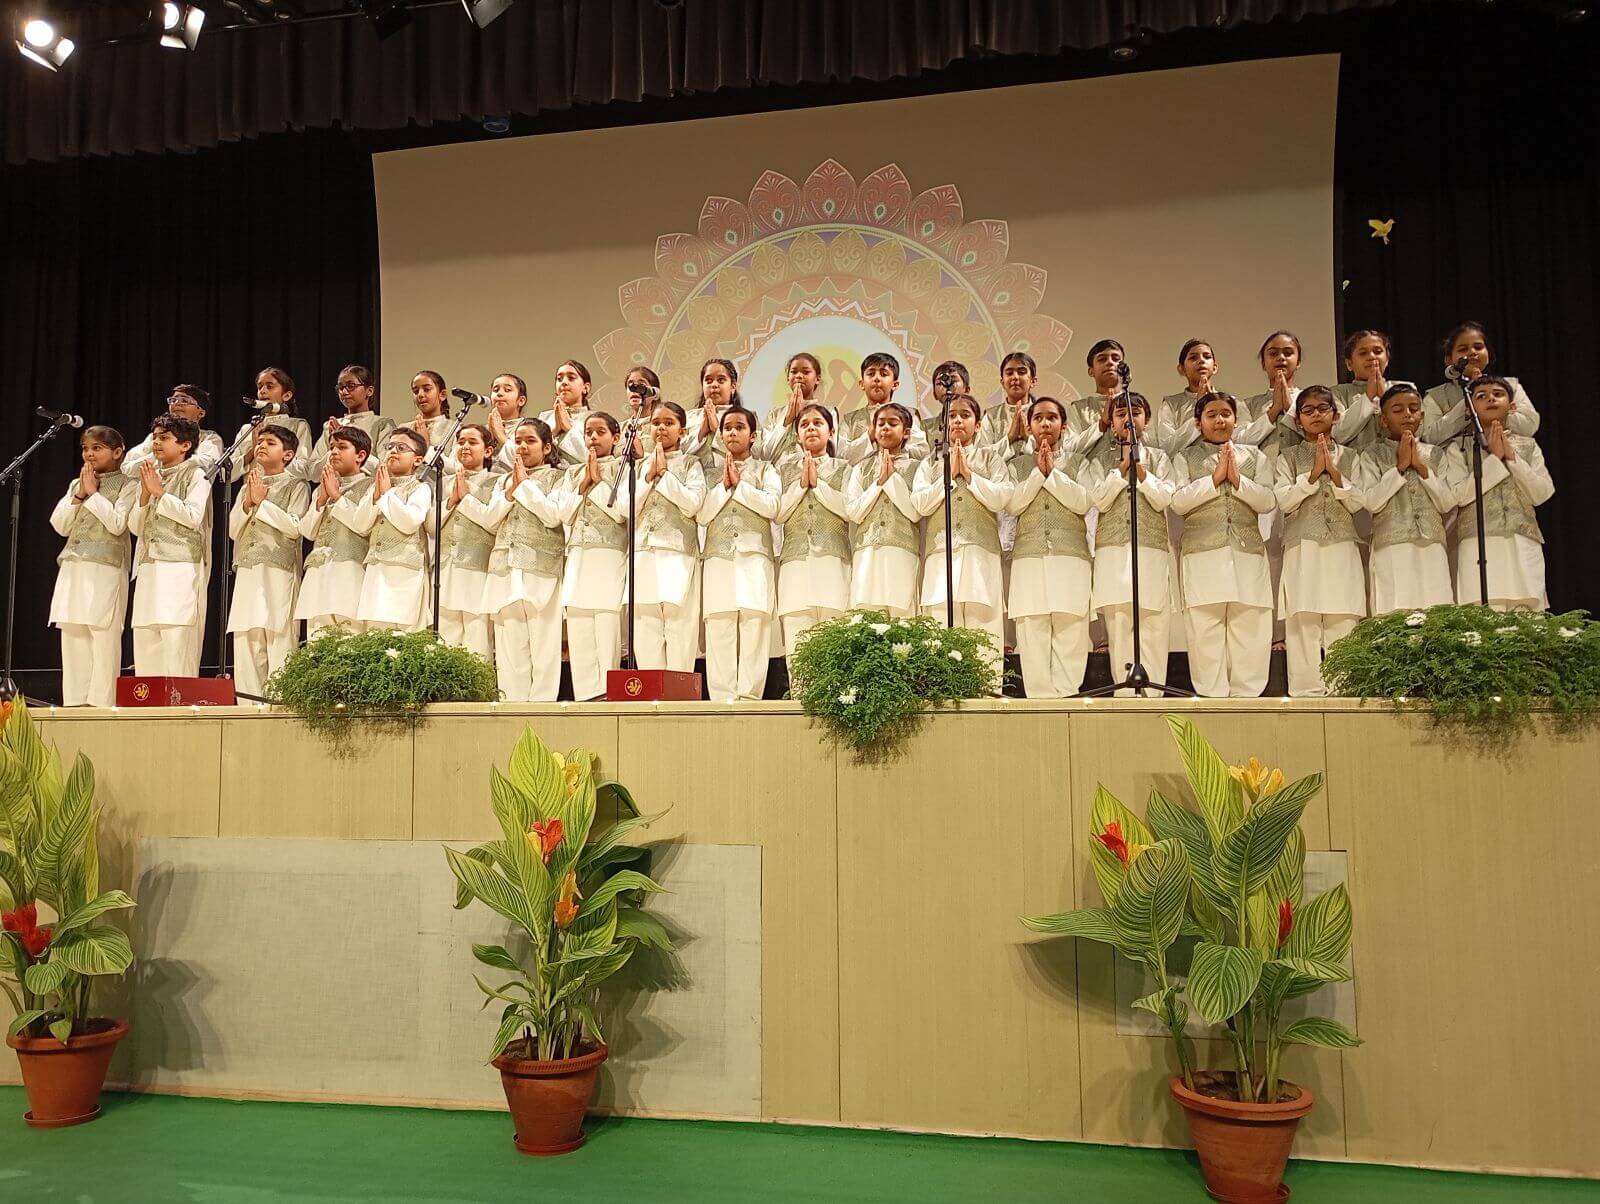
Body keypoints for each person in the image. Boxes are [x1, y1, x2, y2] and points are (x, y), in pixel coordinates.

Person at [1170, 392, 1277, 698]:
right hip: (1202, 554)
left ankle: (1248, 698)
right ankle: (1211, 697)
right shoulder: (1185, 457)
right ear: (1198, 422)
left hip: (1247, 552)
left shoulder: (1255, 457)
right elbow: (1178, 502)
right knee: (1205, 630)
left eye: (1225, 414)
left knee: (1251, 627)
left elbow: (1268, 500)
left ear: (1236, 419)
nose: (1219, 420)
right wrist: (1214, 480)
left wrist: (1239, 481)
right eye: (1212, 415)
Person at [1274, 386, 1366, 696]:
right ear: (1298, 421)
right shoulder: (1287, 457)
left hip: (1341, 543)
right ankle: (1306, 693)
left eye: (1322, 408)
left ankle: (1345, 691)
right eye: (1308, 410)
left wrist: (1336, 476)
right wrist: (1312, 477)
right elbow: (1284, 502)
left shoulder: (1352, 456)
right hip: (1303, 545)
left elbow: (1360, 502)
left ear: (1336, 415)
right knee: (1303, 619)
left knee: (1343, 617)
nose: (1316, 415)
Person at [912, 393, 1010, 675]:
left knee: (983, 619)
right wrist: (949, 477)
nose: (957, 420)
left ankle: (985, 687)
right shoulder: (930, 463)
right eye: (951, 416)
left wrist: (969, 475)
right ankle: (944, 686)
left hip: (980, 550)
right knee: (941, 618)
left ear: (977, 424)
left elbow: (1002, 498)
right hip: (940, 552)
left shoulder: (992, 458)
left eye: (965, 415)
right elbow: (919, 504)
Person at [1087, 394, 1175, 695]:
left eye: (1135, 412)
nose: (1128, 418)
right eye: (1121, 413)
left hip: (1150, 549)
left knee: (1152, 623)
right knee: (1120, 624)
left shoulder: (1161, 458)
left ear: (1146, 421)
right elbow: (1097, 499)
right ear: (1112, 424)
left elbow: (1165, 498)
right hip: (1112, 550)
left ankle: (1153, 694)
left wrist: (1141, 471)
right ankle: (1125, 695)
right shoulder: (1099, 460)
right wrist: (1121, 468)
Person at [1006, 397, 1093, 697]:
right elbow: (1013, 504)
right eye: (1038, 418)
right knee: (1032, 631)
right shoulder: (1016, 464)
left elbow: (1083, 502)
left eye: (1052, 417)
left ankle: (1067, 699)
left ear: (1063, 425)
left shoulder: (1079, 462)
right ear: (1029, 426)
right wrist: (1038, 473)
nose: (1045, 423)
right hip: (1029, 558)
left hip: (1070, 558)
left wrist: (1052, 474)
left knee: (1071, 631)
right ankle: (1040, 703)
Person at [1444, 375, 1554, 610]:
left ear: (1512, 406)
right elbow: (1458, 495)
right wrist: (1494, 459)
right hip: (1478, 541)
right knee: (1484, 614)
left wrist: (1512, 459)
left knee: (1528, 615)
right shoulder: (1460, 448)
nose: (1490, 399)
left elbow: (1542, 493)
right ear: (1468, 408)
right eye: (1481, 396)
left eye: (1497, 394)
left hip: (1522, 539)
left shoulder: (1527, 446)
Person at [697, 405, 781, 701]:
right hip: (719, 557)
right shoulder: (708, 473)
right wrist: (723, 486)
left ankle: (749, 697)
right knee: (719, 626)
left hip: (754, 557)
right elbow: (702, 514)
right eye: (727, 428)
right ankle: (721, 699)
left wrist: (741, 485)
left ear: (753, 435)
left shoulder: (766, 470)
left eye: (739, 427)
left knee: (754, 624)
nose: (732, 432)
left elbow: (773, 507)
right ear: (720, 435)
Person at [49, 425, 136, 707]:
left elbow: (118, 523)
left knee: (103, 639)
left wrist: (93, 494)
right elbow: (60, 525)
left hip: (107, 568)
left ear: (117, 452)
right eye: (85, 449)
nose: (89, 454)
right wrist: (80, 495)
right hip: (74, 567)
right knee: (73, 636)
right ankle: (74, 706)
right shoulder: (78, 484)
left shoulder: (129, 484)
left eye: (96, 448)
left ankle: (101, 707)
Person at [482, 419, 567, 702]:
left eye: (530, 441)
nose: (521, 446)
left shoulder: (559, 477)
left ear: (546, 447)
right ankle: (512, 708)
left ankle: (542, 709)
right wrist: (511, 489)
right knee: (509, 646)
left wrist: (525, 485)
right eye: (517, 440)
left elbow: (553, 515)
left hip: (541, 567)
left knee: (543, 644)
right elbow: (488, 521)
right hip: (504, 568)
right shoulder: (504, 480)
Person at [1357, 384, 1455, 615]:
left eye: (1413, 408)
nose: (1407, 414)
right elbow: (1371, 502)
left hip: (1431, 543)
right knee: (1395, 612)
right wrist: (1399, 468)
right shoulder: (1372, 454)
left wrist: (1422, 468)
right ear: (1383, 419)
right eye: (1398, 409)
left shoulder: (1435, 454)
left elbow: (1447, 503)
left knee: (1436, 612)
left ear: (1422, 416)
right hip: (1391, 545)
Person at [226, 426, 308, 696]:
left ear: (287, 455)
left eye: (269, 442)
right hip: (248, 568)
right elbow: (232, 530)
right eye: (259, 441)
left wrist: (261, 504)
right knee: (247, 636)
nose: (260, 445)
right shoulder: (249, 484)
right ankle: (248, 705)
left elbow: (296, 527)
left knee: (278, 635)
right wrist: (249, 503)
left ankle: (279, 701)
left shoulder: (297, 485)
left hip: (279, 569)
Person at [128, 415, 212, 676]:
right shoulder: (152, 475)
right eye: (155, 437)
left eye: (164, 438)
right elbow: (134, 527)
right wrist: (144, 494)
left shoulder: (197, 475)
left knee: (176, 638)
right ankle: (148, 710)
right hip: (148, 566)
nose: (156, 442)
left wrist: (159, 493)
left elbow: (192, 516)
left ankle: (180, 710)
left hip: (180, 566)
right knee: (146, 636)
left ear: (185, 445)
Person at [556, 412, 628, 700]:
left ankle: (606, 696)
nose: (593, 438)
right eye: (588, 433)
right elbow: (561, 514)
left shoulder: (624, 468)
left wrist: (597, 484)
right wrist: (584, 483)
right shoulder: (572, 473)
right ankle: (585, 697)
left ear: (616, 436)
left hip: (609, 556)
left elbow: (622, 513)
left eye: (600, 432)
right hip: (578, 557)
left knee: (605, 627)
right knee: (579, 624)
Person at [631, 401, 706, 673]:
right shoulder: (639, 466)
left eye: (668, 423)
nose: (661, 428)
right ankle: (650, 696)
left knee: (679, 626)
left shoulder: (691, 464)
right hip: (642, 552)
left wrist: (663, 476)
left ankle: (679, 695)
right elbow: (625, 509)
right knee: (646, 626)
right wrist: (649, 475)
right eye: (656, 423)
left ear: (683, 431)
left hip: (677, 553)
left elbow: (692, 504)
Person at [774, 402, 852, 662]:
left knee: (833, 627)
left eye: (818, 423)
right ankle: (798, 698)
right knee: (797, 631)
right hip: (795, 559)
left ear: (830, 431)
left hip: (832, 557)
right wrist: (800, 485)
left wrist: (817, 486)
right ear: (797, 435)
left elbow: (848, 510)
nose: (811, 429)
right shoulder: (784, 470)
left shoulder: (844, 468)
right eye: (804, 424)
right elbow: (778, 513)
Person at [845, 402, 922, 617]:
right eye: (880, 423)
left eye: (892, 423)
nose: (885, 428)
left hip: (902, 549)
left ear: (906, 432)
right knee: (867, 620)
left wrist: (892, 480)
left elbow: (916, 512)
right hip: (866, 552)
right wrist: (879, 483)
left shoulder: (917, 467)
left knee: (902, 619)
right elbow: (853, 511)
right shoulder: (861, 467)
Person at [295, 428, 374, 637]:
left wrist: (337, 496)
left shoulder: (371, 485)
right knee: (317, 643)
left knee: (349, 642)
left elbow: (362, 525)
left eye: (342, 447)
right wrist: (321, 500)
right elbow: (307, 531)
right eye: (331, 448)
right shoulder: (322, 488)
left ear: (361, 455)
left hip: (349, 573)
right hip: (317, 575)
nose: (334, 453)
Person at [354, 428, 434, 632]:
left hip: (404, 571)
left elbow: (410, 522)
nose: (393, 451)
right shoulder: (377, 486)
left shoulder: (420, 488)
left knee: (402, 639)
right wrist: (376, 495)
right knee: (375, 636)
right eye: (389, 447)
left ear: (417, 460)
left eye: (401, 448)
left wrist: (387, 494)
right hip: (376, 570)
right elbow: (360, 525)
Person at [434, 424, 502, 660]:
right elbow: (428, 525)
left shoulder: (497, 482)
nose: (464, 446)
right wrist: (452, 500)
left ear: (488, 451)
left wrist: (466, 496)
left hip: (478, 567)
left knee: (477, 638)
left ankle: (479, 694)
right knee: (446, 640)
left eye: (472, 442)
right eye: (461, 441)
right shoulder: (444, 482)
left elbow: (492, 522)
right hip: (445, 569)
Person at [1423, 322, 1540, 446]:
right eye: (1463, 349)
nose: (1472, 352)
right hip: (1457, 463)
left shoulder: (1511, 386)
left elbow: (1529, 427)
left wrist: (1493, 411)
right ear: (1448, 359)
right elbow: (1430, 438)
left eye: (1478, 347)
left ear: (1488, 354)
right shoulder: (1435, 396)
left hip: (1506, 461)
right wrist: (1469, 399)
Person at [227, 367, 314, 482]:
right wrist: (253, 450)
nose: (262, 391)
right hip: (249, 496)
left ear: (286, 395)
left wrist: (272, 453)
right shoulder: (248, 429)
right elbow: (226, 474)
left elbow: (305, 469)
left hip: (284, 495)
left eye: (269, 386)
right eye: (259, 387)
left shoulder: (297, 425)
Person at [838, 352, 927, 464]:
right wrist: (869, 436)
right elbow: (840, 458)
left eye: (884, 374)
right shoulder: (850, 419)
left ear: (895, 384)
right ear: (861, 384)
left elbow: (923, 453)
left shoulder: (909, 414)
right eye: (871, 374)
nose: (876, 378)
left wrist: (895, 444)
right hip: (861, 479)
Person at [308, 365, 395, 479]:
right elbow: (313, 473)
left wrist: (348, 441)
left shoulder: (382, 424)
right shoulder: (331, 426)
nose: (344, 392)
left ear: (369, 390)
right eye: (340, 387)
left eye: (350, 386)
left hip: (367, 490)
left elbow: (386, 468)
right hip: (332, 488)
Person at [124, 385, 225, 475]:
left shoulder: (210, 438)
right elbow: (127, 468)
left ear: (201, 413)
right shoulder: (156, 436)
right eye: (173, 400)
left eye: (185, 401)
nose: (176, 404)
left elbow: (208, 466)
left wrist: (170, 455)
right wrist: (158, 455)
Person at [1330, 330, 1407, 448]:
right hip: (1355, 464)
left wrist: (1385, 397)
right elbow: (1338, 435)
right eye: (1363, 353)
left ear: (1387, 359)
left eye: (1378, 351)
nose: (1371, 356)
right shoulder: (1337, 393)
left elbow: (1415, 430)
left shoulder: (1405, 390)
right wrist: (1368, 397)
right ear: (1349, 363)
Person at [685, 358, 754, 475]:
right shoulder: (688, 417)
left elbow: (753, 457)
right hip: (693, 483)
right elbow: (677, 457)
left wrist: (717, 430)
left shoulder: (746, 418)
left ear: (733, 386)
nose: (714, 385)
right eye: (708, 380)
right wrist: (701, 432)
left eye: (721, 380)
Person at [1154, 340, 1219, 458]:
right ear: (1181, 369)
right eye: (1193, 358)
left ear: (1215, 367)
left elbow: (1240, 443)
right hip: (1183, 473)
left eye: (1207, 356)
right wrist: (1200, 412)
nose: (1201, 360)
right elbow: (1166, 449)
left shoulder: (1230, 403)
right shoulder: (1170, 405)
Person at [761, 353, 825, 466]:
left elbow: (830, 451)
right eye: (794, 372)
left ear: (817, 379)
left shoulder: (827, 413)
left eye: (806, 372)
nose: (799, 376)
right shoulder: (774, 414)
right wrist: (787, 421)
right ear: (788, 378)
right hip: (777, 477)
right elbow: (764, 456)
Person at [537, 361, 596, 466]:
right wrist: (554, 430)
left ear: (585, 387)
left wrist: (568, 428)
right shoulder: (544, 418)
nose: (564, 382)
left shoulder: (595, 419)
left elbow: (594, 458)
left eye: (571, 378)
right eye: (559, 379)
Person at [486, 373, 532, 471]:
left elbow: (528, 463)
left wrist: (500, 435)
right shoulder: (482, 431)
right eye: (495, 390)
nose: (499, 393)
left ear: (521, 400)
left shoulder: (531, 430)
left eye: (507, 390)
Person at [407, 370, 456, 452]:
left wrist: (425, 445)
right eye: (415, 391)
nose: (420, 395)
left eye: (427, 389)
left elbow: (455, 464)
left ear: (442, 395)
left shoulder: (454, 428)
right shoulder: (404, 428)